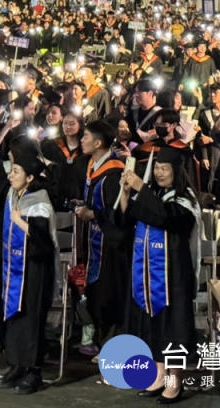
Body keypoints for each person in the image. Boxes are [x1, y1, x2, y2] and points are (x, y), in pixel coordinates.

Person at [0, 133, 57, 394]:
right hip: (11, 268)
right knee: (13, 317)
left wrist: (22, 223)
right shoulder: (11, 193)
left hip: (35, 272)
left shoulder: (39, 200)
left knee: (31, 319)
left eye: (16, 171)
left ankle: (34, 371)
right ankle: (17, 364)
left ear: (30, 176)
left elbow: (43, 244)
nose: (10, 175)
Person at [119, 146, 200, 404]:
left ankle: (175, 380)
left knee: (172, 326)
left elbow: (165, 217)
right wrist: (125, 191)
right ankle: (159, 375)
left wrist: (141, 188)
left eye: (165, 168)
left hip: (173, 276)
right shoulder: (152, 193)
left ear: (177, 171)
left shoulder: (184, 199)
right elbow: (125, 219)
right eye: (157, 168)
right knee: (151, 324)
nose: (159, 172)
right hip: (146, 273)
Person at [76, 119, 129, 350]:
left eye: (86, 136)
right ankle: (97, 339)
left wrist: (93, 214)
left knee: (108, 291)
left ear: (98, 142)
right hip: (94, 240)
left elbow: (118, 211)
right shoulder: (93, 165)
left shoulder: (114, 170)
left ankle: (111, 344)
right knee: (94, 289)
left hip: (112, 245)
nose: (81, 140)